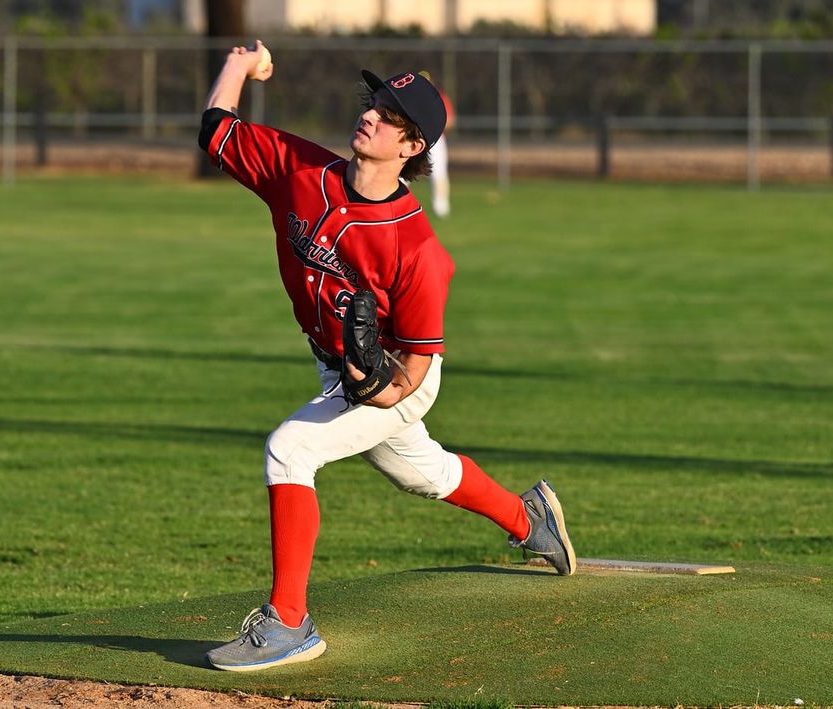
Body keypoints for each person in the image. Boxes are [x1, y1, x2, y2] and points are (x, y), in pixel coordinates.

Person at [197, 40, 576, 673]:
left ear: (412, 146)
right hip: (339, 363)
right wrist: (242, 63)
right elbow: (218, 131)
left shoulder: (418, 249)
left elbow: (418, 368)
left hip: (399, 376)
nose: (372, 115)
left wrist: (375, 386)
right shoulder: (301, 172)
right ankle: (527, 516)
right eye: (375, 103)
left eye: (392, 114)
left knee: (291, 448)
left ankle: (290, 622)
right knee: (419, 472)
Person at [426, 76, 454, 218]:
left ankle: (441, 207)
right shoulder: (410, 98)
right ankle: (398, 206)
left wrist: (433, 125)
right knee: (400, 175)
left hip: (435, 139)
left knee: (438, 172)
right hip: (412, 137)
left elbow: (450, 121)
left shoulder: (439, 98)